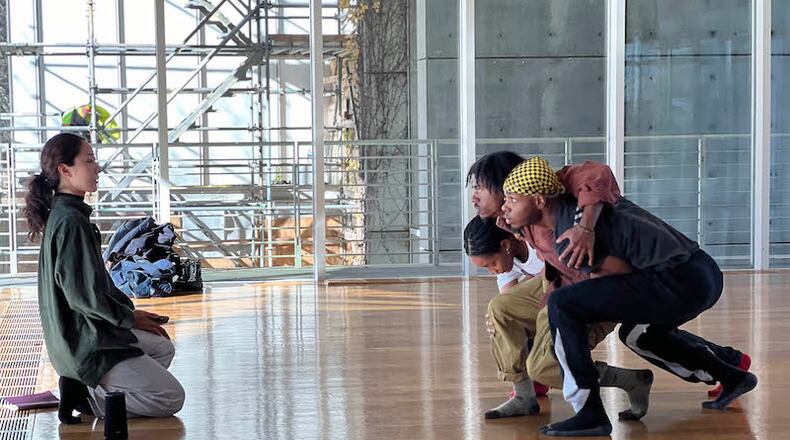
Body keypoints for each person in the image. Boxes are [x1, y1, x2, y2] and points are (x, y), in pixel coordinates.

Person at [501, 156, 756, 437]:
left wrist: (577, 312)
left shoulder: (570, 236)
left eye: (512, 199)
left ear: (539, 201)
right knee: (639, 335)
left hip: (680, 279)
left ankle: (589, 413)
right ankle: (734, 377)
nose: (505, 207)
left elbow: (621, 272)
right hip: (700, 271)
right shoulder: (572, 211)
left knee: (565, 305)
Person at [466, 152, 652, 421]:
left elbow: (597, 173)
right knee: (500, 309)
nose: (474, 197)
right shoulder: (506, 224)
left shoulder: (550, 205)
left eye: (479, 188)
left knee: (544, 365)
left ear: (505, 187)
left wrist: (585, 227)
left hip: (590, 288)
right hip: (555, 283)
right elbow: (515, 290)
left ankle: (629, 380)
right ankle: (524, 396)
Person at [23, 133, 185, 423]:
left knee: (161, 346)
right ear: (65, 169)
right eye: (89, 160)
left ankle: (95, 388)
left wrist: (130, 313)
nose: (97, 168)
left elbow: (95, 287)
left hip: (85, 333)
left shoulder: (68, 215)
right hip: (85, 343)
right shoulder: (70, 222)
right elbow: (81, 296)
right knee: (171, 397)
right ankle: (86, 397)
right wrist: (128, 320)